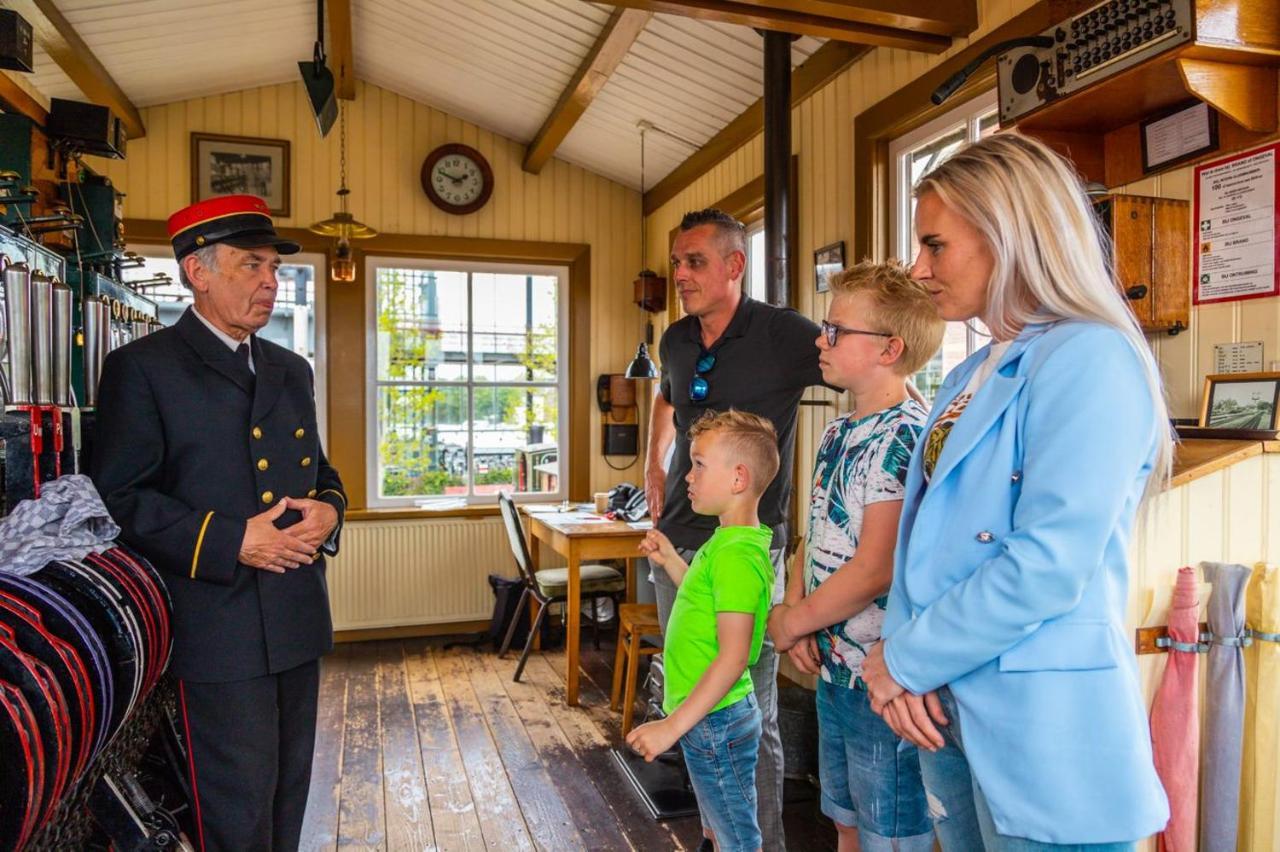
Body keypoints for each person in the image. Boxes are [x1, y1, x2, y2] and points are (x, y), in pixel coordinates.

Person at [860, 133, 1172, 849]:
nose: (918, 268)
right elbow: (926, 541)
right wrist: (903, 668)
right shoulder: (975, 372)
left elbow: (1048, 563)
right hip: (949, 703)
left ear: (1009, 237)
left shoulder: (1091, 354)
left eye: (935, 245)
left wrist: (903, 660)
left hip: (1044, 724)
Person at [91, 195, 347, 852]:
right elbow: (119, 497)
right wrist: (234, 539)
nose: (271, 281)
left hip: (296, 613)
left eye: (273, 267)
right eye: (252, 264)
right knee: (233, 808)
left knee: (289, 794)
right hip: (217, 624)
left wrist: (331, 508)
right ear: (196, 272)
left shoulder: (292, 369)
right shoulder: (142, 370)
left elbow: (318, 472)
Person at [645, 208, 826, 848]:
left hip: (750, 543)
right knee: (692, 695)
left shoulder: (785, 334)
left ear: (734, 265)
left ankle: (761, 841)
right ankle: (720, 833)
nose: (681, 274)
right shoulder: (675, 338)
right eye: (676, 263)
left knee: (752, 711)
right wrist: (653, 460)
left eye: (694, 261)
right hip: (679, 538)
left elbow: (859, 365)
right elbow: (666, 396)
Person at [768, 260, 943, 851]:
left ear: (888, 349)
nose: (822, 339)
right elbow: (812, 538)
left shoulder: (905, 435)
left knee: (889, 834)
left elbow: (876, 567)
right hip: (833, 666)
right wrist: (798, 611)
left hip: (882, 677)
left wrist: (793, 620)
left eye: (837, 330)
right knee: (842, 817)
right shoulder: (838, 432)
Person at [629, 409, 779, 852]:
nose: (686, 475)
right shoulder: (727, 541)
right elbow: (701, 597)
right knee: (717, 822)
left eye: (698, 464)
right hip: (708, 718)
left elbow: (733, 658)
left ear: (738, 479)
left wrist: (670, 727)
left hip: (715, 720)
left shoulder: (736, 557)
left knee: (736, 835)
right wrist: (672, 560)